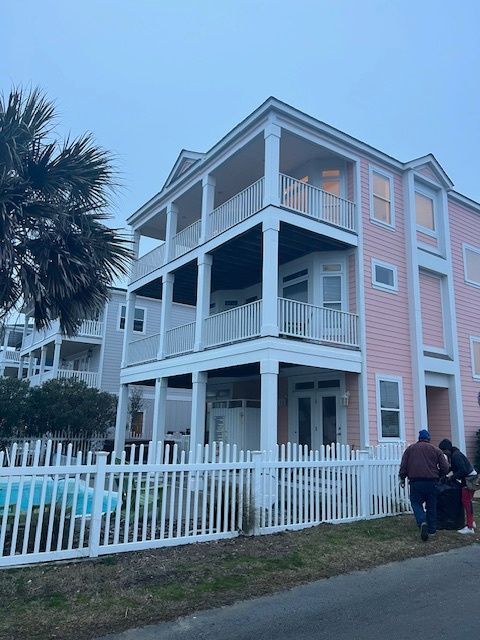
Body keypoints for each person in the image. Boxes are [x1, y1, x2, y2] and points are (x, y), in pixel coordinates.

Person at [399, 429, 449, 541]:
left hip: (416, 482)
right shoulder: (436, 450)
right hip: (432, 482)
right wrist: (439, 475)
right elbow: (445, 467)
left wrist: (402, 477)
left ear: (419, 438)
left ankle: (422, 521)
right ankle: (432, 530)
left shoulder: (410, 449)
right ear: (428, 439)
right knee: (431, 505)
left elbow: (404, 466)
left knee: (416, 503)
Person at [438, 439, 477, 534]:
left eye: (443, 451)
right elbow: (454, 468)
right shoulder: (454, 454)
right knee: (467, 502)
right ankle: (472, 521)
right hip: (469, 478)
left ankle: (469, 527)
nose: (444, 454)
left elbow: (463, 470)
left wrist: (452, 477)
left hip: (469, 480)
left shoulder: (456, 456)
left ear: (447, 449)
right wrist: (445, 473)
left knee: (466, 501)